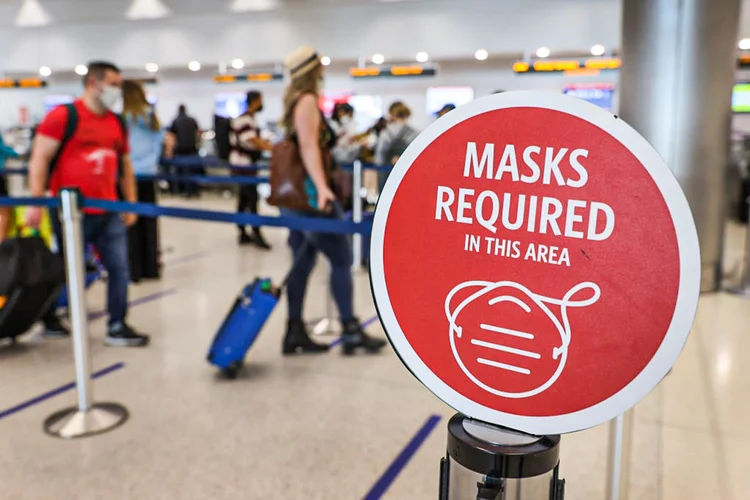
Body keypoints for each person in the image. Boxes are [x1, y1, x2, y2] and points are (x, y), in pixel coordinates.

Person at [25, 61, 149, 347]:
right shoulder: (63, 117)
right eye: (115, 84)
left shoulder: (116, 123)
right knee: (71, 270)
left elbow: (125, 166)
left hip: (109, 210)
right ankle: (50, 315)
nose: (119, 90)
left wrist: (130, 203)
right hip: (71, 212)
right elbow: (40, 158)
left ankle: (117, 324)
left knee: (119, 268)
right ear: (95, 83)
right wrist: (35, 200)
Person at [277, 45, 386, 356]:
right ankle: (350, 330)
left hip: (295, 198)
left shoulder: (293, 101)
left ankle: (294, 329)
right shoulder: (308, 101)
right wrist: (324, 189)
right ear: (313, 70)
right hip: (312, 197)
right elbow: (309, 148)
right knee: (340, 258)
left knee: (302, 261)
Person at [122, 79, 165, 282]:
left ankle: (134, 270)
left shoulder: (123, 119)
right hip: (149, 174)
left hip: (130, 175)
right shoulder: (151, 116)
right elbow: (160, 143)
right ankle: (151, 267)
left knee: (131, 223)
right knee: (149, 222)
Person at [230, 90, 273, 248]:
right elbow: (251, 140)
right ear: (254, 101)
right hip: (243, 164)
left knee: (244, 198)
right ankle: (255, 231)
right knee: (251, 198)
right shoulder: (245, 120)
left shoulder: (248, 119)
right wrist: (271, 148)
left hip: (245, 164)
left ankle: (242, 231)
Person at [375, 101, 419, 191]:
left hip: (387, 172)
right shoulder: (414, 132)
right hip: (405, 173)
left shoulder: (386, 132)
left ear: (391, 114)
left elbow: (380, 154)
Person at [168, 104, 201, 196]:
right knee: (192, 171)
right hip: (192, 150)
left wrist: (169, 151)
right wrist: (197, 144)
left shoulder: (175, 121)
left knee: (179, 172)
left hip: (180, 150)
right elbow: (198, 133)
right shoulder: (192, 120)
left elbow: (171, 137)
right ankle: (193, 191)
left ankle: (179, 191)